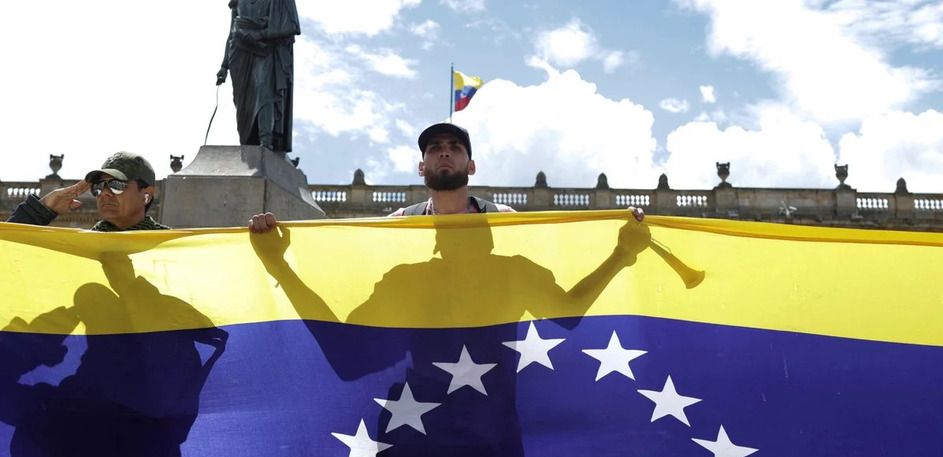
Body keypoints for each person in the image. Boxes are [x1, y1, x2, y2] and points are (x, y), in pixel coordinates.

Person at [248, 123, 642, 231]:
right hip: (421, 375)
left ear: (471, 166)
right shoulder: (399, 225)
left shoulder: (501, 219)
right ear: (423, 167)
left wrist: (619, 229)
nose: (444, 152)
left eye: (454, 146)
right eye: (434, 148)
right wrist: (279, 239)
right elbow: (333, 255)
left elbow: (565, 246)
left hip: (492, 367)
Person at [6, 151, 169, 231]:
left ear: (146, 194)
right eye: (98, 186)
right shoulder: (81, 246)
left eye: (116, 185)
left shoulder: (171, 249)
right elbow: (7, 252)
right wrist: (41, 210)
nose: (104, 193)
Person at [216, 0, 300, 152]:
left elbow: (291, 26)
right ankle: (247, 145)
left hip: (265, 48)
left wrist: (260, 34)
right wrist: (224, 66)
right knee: (242, 104)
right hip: (239, 50)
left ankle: (266, 141)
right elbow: (231, 32)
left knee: (264, 91)